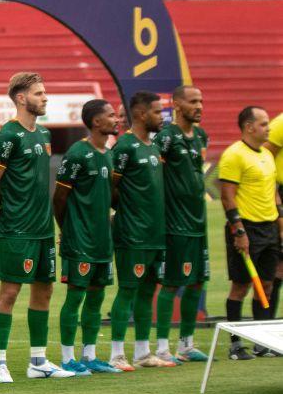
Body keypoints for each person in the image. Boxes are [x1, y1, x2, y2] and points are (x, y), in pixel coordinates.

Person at [0, 72, 75, 382]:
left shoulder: (44, 135)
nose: (45, 98)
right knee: (9, 292)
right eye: (39, 93)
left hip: (42, 229)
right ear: (21, 98)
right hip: (17, 228)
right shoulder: (8, 136)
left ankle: (38, 361)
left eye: (44, 92)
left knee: (45, 290)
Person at [54, 99, 122, 375]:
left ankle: (90, 355)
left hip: (102, 239)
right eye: (111, 115)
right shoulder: (77, 153)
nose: (116, 119)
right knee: (76, 296)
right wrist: (67, 229)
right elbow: (59, 197)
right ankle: (68, 357)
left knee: (97, 296)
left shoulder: (108, 153)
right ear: (96, 122)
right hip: (79, 238)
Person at [108, 91, 173, 370]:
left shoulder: (155, 146)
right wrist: (126, 212)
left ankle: (144, 353)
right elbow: (111, 186)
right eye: (158, 112)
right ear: (141, 114)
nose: (162, 117)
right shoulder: (125, 147)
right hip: (132, 233)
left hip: (155, 232)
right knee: (128, 290)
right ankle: (117, 354)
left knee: (148, 291)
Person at [219, 106, 283, 359]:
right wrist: (239, 231)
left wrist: (280, 223)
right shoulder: (234, 155)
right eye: (264, 123)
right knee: (241, 287)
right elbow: (227, 196)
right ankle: (235, 345)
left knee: (266, 286)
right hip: (246, 228)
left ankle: (262, 343)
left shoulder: (267, 156)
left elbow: (274, 193)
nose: (268, 128)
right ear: (249, 127)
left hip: (268, 228)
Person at [152, 85, 210, 364]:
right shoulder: (166, 138)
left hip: (198, 220)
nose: (199, 106)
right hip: (175, 222)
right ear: (176, 104)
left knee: (198, 282)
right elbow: (157, 176)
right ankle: (163, 347)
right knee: (173, 283)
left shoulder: (200, 135)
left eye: (200, 101)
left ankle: (186, 345)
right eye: (193, 101)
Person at [261, 111, 283, 320]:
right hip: (280, 196)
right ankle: (266, 329)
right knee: (278, 268)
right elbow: (263, 158)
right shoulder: (281, 124)